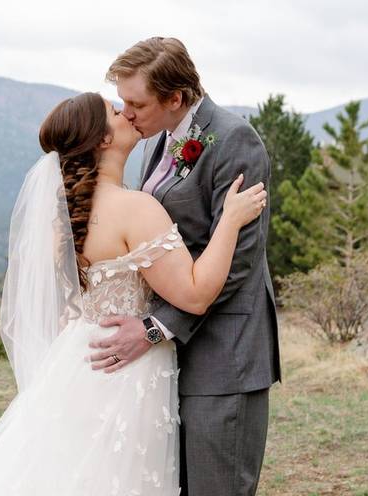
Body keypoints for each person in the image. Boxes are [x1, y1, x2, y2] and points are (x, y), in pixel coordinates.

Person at [0, 92, 267, 495]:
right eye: (115, 111)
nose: (126, 112)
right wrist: (230, 221)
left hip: (80, 362)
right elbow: (197, 294)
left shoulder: (66, 217)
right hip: (126, 374)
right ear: (102, 140)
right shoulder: (135, 208)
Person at [92, 36, 282, 496]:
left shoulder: (234, 140)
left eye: (136, 103)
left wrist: (155, 327)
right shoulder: (160, 142)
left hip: (223, 358)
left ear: (175, 98)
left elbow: (238, 262)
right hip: (171, 362)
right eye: (122, 102)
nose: (127, 114)